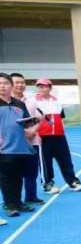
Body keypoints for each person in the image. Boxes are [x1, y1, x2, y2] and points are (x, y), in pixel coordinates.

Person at [34, 78, 81, 193]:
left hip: (59, 136)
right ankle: (47, 184)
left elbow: (60, 117)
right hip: (43, 136)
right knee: (46, 162)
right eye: (39, 86)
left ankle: (73, 181)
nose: (41, 88)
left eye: (44, 86)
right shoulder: (34, 102)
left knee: (66, 160)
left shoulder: (57, 101)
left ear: (50, 88)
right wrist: (36, 134)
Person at [0, 73, 38, 217]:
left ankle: (18, 203)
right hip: (3, 148)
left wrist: (35, 121)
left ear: (11, 86)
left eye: (5, 83)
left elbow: (27, 122)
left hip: (20, 147)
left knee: (18, 177)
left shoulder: (20, 104)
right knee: (6, 177)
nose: (2, 86)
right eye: (0, 84)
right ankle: (10, 205)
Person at [9, 73, 44, 204]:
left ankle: (31, 197)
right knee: (14, 174)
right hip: (13, 144)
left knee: (32, 171)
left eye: (22, 82)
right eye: (17, 82)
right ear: (11, 85)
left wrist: (32, 131)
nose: (20, 85)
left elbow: (40, 118)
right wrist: (24, 132)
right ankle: (13, 201)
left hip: (32, 142)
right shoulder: (6, 102)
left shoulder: (32, 101)